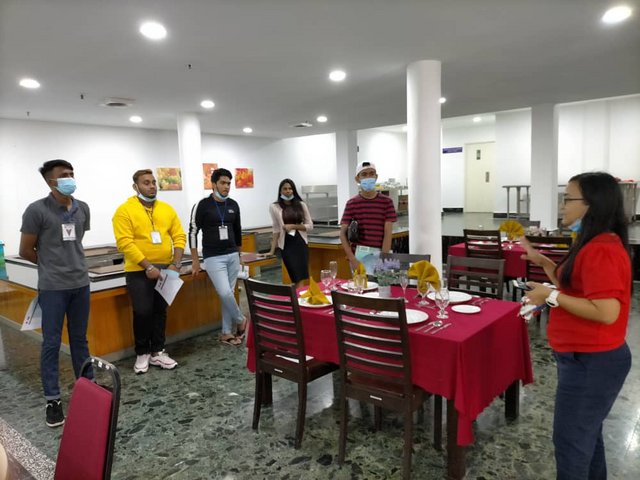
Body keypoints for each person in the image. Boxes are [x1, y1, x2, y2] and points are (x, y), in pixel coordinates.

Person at [522, 172, 632, 480]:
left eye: (568, 199)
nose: (562, 205)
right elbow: (574, 284)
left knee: (571, 445)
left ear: (591, 204)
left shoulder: (602, 249)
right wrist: (542, 262)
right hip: (584, 359)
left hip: (592, 362)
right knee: (586, 437)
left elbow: (606, 311)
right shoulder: (592, 242)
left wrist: (550, 296)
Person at [19, 159, 92, 428]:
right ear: (51, 181)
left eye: (72, 173)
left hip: (80, 284)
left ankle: (88, 388)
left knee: (80, 340)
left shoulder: (83, 208)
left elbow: (76, 241)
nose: (70, 178)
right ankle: (53, 400)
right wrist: (50, 265)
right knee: (51, 343)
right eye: (64, 175)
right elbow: (26, 249)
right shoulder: (36, 210)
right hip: (52, 288)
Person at [112, 169, 185, 374]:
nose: (152, 186)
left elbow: (179, 236)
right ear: (135, 187)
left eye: (153, 182)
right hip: (139, 270)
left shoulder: (167, 209)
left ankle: (158, 352)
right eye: (146, 183)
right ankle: (142, 353)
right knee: (143, 311)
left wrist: (176, 263)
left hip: (167, 269)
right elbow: (124, 243)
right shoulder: (124, 210)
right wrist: (148, 266)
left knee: (160, 311)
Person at [189, 168, 246, 346]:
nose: (226, 186)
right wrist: (195, 260)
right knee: (224, 292)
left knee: (228, 294)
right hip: (213, 257)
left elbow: (237, 231)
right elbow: (192, 232)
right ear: (213, 184)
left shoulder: (233, 204)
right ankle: (241, 319)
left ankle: (226, 333)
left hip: (232, 255)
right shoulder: (202, 205)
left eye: (229, 183)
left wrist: (239, 254)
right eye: (222, 183)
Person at [339, 161, 397, 270]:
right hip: (358, 257)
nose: (368, 177)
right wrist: (352, 259)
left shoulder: (387, 202)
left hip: (380, 255)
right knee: (359, 282)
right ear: (357, 179)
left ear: (376, 177)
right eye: (364, 174)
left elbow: (388, 233)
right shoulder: (352, 203)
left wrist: (383, 259)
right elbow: (342, 234)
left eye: (371, 174)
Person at [266, 179, 313, 288]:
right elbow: (276, 228)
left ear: (293, 190)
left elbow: (310, 226)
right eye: (285, 189)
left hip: (300, 243)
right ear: (280, 191)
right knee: (295, 276)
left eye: (290, 188)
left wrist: (293, 226)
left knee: (300, 277)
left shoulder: (301, 205)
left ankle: (298, 297)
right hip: (286, 245)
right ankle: (298, 296)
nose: (288, 191)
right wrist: (272, 250)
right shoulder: (274, 207)